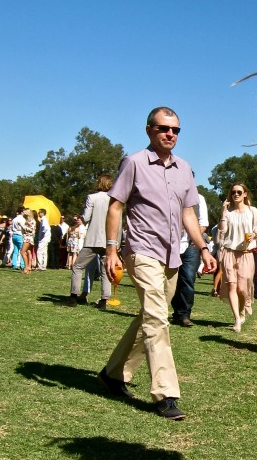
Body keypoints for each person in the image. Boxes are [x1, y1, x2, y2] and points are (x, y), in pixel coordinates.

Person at [100, 107, 217, 419]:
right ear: (149, 130)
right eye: (165, 128)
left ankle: (112, 373)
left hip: (171, 256)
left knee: (150, 317)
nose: (171, 134)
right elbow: (116, 207)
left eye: (176, 130)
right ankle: (166, 393)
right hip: (141, 251)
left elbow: (188, 214)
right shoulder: (134, 162)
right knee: (158, 320)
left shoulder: (184, 169)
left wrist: (203, 249)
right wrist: (112, 249)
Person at [217, 182, 257, 332]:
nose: (235, 194)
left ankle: (242, 311)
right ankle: (237, 318)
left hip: (246, 253)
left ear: (245, 194)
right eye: (233, 192)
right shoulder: (229, 213)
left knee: (243, 288)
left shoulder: (252, 211)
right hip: (229, 252)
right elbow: (222, 231)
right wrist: (223, 211)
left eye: (239, 192)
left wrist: (254, 235)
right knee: (231, 285)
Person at [69, 174, 113, 308]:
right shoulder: (114, 199)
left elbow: (86, 217)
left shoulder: (92, 197)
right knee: (105, 270)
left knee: (77, 266)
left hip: (94, 239)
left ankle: (73, 298)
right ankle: (104, 300)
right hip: (108, 240)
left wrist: (81, 218)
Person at [170, 179, 209, 327]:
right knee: (171, 279)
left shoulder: (199, 199)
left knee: (188, 279)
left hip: (191, 245)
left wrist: (195, 237)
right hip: (170, 244)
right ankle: (175, 311)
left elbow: (203, 223)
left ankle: (184, 314)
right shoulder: (169, 196)